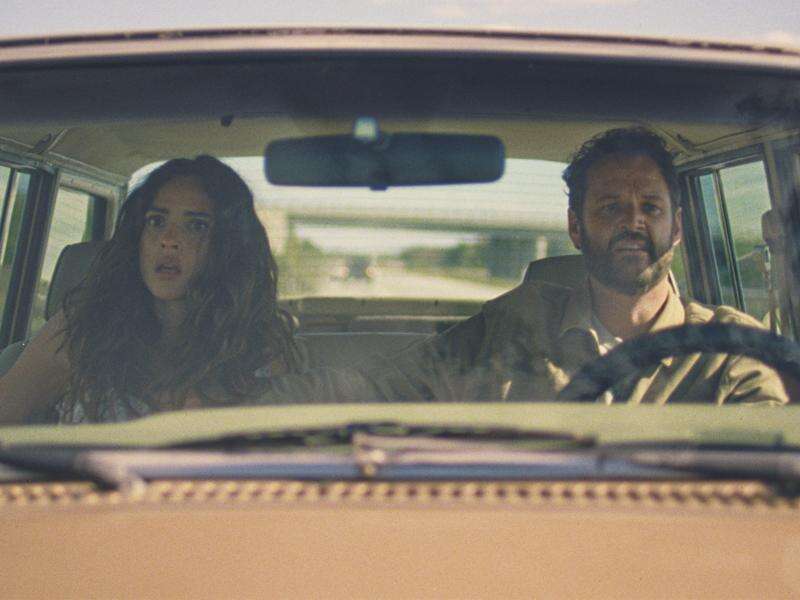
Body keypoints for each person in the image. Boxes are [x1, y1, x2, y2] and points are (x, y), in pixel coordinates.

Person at [266, 127, 789, 405]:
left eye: (650, 207)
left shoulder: (732, 352)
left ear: (676, 227)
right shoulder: (514, 324)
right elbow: (381, 386)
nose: (633, 222)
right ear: (575, 227)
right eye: (610, 207)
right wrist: (245, 404)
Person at [0, 156, 303, 424]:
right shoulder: (81, 329)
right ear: (137, 236)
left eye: (196, 226)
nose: (168, 240)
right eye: (156, 221)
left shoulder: (255, 344)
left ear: (227, 246)